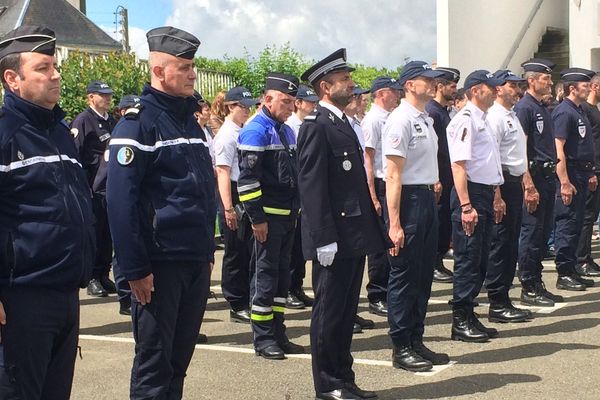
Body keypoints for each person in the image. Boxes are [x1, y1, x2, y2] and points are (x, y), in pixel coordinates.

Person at [106, 26, 216, 399]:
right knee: (154, 365)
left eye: (193, 66)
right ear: (158, 71)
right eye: (183, 67)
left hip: (193, 259)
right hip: (160, 263)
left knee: (178, 363)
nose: (192, 73)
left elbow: (200, 191)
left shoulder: (189, 121)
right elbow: (120, 204)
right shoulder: (138, 124)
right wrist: (135, 269)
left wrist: (205, 254)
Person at [0, 25, 95, 400]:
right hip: (22, 298)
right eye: (43, 67)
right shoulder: (6, 136)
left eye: (55, 66)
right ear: (13, 79)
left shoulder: (59, 132)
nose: (55, 75)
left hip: (65, 293)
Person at [298, 48, 391, 400]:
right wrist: (322, 237)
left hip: (352, 234)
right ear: (326, 86)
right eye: (344, 80)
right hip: (334, 237)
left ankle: (343, 377)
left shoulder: (341, 122)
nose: (351, 85)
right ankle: (328, 384)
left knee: (346, 311)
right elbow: (312, 186)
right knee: (329, 313)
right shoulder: (316, 126)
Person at [384, 61, 449, 372]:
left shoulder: (424, 118)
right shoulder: (400, 120)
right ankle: (401, 345)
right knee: (404, 276)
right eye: (427, 79)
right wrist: (394, 223)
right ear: (409, 84)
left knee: (423, 274)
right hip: (408, 200)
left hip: (425, 196)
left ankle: (416, 338)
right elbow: (393, 175)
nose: (433, 83)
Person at [237, 72, 304, 360]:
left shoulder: (286, 130)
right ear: (267, 99)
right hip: (267, 219)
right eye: (285, 102)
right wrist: (257, 219)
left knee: (281, 277)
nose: (290, 107)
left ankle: (278, 330)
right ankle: (263, 338)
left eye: (292, 102)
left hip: (287, 216)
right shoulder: (256, 130)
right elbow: (248, 181)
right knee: (264, 277)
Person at [446, 70, 504, 343]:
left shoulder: (483, 120)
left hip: (484, 192)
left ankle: (469, 314)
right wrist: (466, 205)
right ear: (476, 90)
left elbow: (488, 164)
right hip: (469, 194)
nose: (495, 91)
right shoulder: (465, 120)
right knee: (468, 259)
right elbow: (459, 165)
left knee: (480, 258)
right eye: (490, 87)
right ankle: (460, 319)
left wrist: (495, 194)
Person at [484, 70, 533, 323]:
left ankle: (504, 297)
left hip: (514, 182)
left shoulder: (510, 115)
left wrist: (526, 182)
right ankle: (497, 300)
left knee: (510, 243)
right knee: (500, 245)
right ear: (498, 88)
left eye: (517, 85)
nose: (516, 90)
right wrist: (497, 195)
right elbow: (492, 159)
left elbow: (518, 156)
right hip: (501, 183)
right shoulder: (494, 117)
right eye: (511, 85)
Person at [515, 59, 563, 306]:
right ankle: (528, 285)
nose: (550, 82)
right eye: (546, 78)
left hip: (547, 176)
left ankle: (537, 281)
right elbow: (521, 148)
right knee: (532, 234)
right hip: (533, 176)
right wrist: (528, 184)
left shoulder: (543, 107)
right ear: (532, 80)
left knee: (542, 234)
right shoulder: (524, 108)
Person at [215, 86, 258, 324]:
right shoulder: (226, 135)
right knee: (235, 252)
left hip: (244, 192)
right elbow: (223, 172)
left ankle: (247, 298)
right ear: (231, 107)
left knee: (247, 250)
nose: (247, 110)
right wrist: (228, 208)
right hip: (232, 193)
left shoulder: (241, 131)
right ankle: (236, 302)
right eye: (243, 107)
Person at [70, 80, 116, 298]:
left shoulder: (112, 121)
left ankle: (103, 273)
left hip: (108, 188)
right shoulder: (83, 121)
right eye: (102, 95)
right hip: (91, 188)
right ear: (91, 97)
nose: (107, 98)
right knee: (94, 234)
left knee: (107, 234)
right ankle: (91, 278)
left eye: (108, 95)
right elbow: (75, 156)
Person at [552, 68, 597, 291]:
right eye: (585, 86)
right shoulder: (564, 112)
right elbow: (558, 147)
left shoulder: (579, 111)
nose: (589, 88)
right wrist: (564, 182)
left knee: (578, 223)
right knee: (567, 225)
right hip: (570, 172)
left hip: (582, 173)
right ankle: (564, 272)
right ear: (572, 88)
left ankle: (572, 269)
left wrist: (589, 173)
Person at [362, 76, 402, 318]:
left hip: (389, 181)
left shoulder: (389, 118)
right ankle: (377, 293)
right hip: (378, 183)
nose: (397, 95)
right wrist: (372, 197)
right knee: (379, 242)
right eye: (393, 92)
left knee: (390, 239)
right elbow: (368, 160)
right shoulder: (373, 121)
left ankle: (387, 290)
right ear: (381, 94)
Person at [285, 85, 318, 309]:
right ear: (299, 103)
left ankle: (296, 287)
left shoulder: (308, 125)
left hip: (302, 195)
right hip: (292, 193)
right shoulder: (291, 127)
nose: (313, 106)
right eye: (310, 102)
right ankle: (288, 289)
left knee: (299, 248)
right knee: (291, 247)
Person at [426, 67, 460, 283]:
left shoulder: (443, 111)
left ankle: (438, 259)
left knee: (445, 220)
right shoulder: (433, 111)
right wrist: (436, 178)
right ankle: (434, 263)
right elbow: (433, 149)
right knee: (438, 222)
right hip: (439, 174)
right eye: (451, 86)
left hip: (448, 174)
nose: (455, 90)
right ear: (439, 86)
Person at [575, 73, 600, 277]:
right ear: (595, 87)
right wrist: (591, 170)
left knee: (591, 216)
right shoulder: (585, 110)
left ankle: (586, 257)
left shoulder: (593, 110)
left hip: (596, 169)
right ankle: (580, 259)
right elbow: (585, 144)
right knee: (586, 216)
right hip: (590, 171)